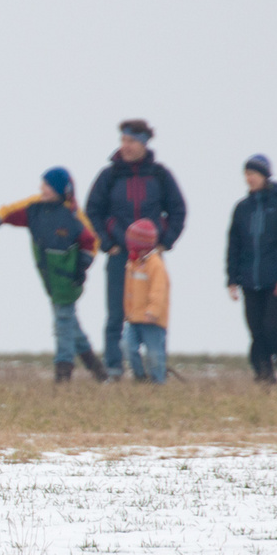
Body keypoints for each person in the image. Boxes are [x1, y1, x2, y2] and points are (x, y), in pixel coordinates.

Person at [0, 167, 107, 383]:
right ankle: (98, 371)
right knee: (69, 323)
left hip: (68, 279)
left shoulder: (73, 216)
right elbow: (4, 212)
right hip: (50, 279)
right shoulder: (34, 208)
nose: (42, 189)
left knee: (62, 322)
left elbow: (92, 242)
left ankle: (63, 374)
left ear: (63, 190)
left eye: (48, 186)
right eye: (43, 184)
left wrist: (82, 267)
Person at [84, 119, 188, 380]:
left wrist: (165, 241)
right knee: (116, 314)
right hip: (120, 256)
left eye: (131, 141)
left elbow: (178, 210)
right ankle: (114, 370)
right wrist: (108, 244)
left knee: (153, 311)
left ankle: (155, 371)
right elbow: (92, 212)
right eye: (123, 140)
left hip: (152, 258)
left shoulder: (160, 175)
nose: (125, 146)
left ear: (143, 143)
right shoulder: (108, 176)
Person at [226, 154, 277, 383]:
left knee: (272, 326)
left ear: (265, 176)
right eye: (247, 174)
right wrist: (232, 278)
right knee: (256, 330)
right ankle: (263, 375)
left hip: (276, 280)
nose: (249, 178)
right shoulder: (242, 208)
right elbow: (234, 245)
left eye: (253, 174)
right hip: (250, 280)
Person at [122, 218, 170, 384]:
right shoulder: (132, 263)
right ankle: (140, 378)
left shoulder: (156, 264)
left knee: (154, 354)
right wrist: (127, 313)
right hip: (133, 318)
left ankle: (158, 382)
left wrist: (153, 312)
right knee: (127, 347)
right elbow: (129, 292)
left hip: (152, 321)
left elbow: (159, 291)